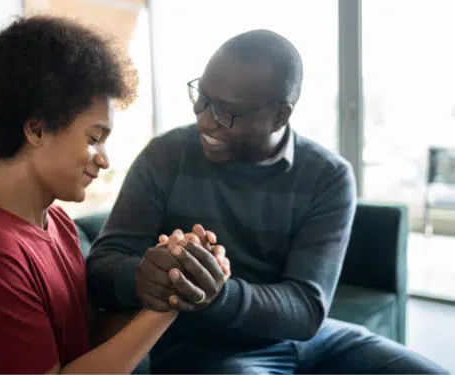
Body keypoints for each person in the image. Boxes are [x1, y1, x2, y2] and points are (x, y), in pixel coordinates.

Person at [86, 29, 450, 375]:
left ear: (280, 115)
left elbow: (306, 310)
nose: (204, 120)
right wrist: (144, 276)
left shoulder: (328, 176)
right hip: (207, 351)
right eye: (202, 98)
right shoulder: (166, 156)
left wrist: (218, 294)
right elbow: (101, 266)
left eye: (225, 111)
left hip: (311, 341)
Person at [0, 15, 229, 375]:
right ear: (37, 129)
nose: (103, 159)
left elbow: (89, 342)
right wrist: (169, 308)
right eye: (93, 138)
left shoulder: (57, 223)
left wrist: (172, 279)